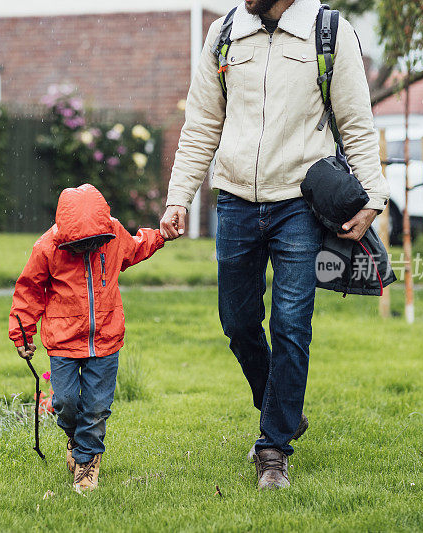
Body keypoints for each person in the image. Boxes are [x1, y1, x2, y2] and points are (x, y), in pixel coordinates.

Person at [159, 0, 390, 489]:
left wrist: (373, 197)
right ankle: (283, 408)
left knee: (290, 322)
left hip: (300, 204)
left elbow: (356, 123)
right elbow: (202, 122)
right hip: (236, 202)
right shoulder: (225, 33)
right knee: (238, 322)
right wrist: (179, 196)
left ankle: (273, 449)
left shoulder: (329, 32)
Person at [9, 183, 165, 492]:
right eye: (78, 245)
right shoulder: (47, 248)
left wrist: (160, 236)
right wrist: (23, 333)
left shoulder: (113, 236)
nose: (86, 250)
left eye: (93, 243)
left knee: (95, 407)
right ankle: (75, 436)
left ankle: (87, 462)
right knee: (65, 402)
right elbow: (29, 290)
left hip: (106, 341)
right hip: (63, 343)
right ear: (65, 237)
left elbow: (134, 247)